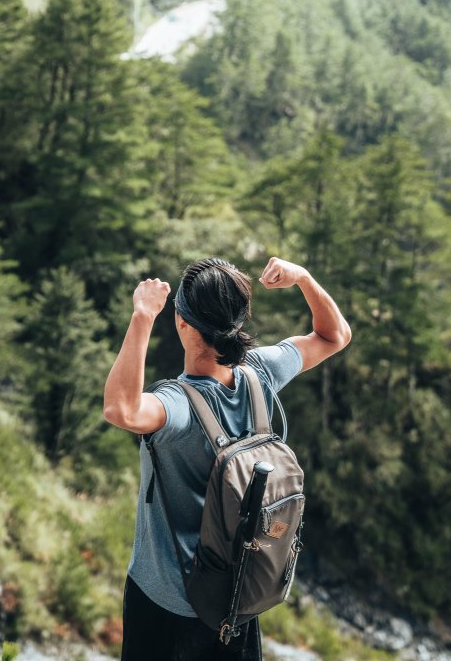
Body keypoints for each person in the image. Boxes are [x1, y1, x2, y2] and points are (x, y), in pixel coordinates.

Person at [103, 256, 351, 661]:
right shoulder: (262, 373)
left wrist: (143, 315)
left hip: (166, 603)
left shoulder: (177, 406)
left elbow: (120, 409)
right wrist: (303, 278)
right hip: (238, 598)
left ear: (182, 323)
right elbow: (335, 334)